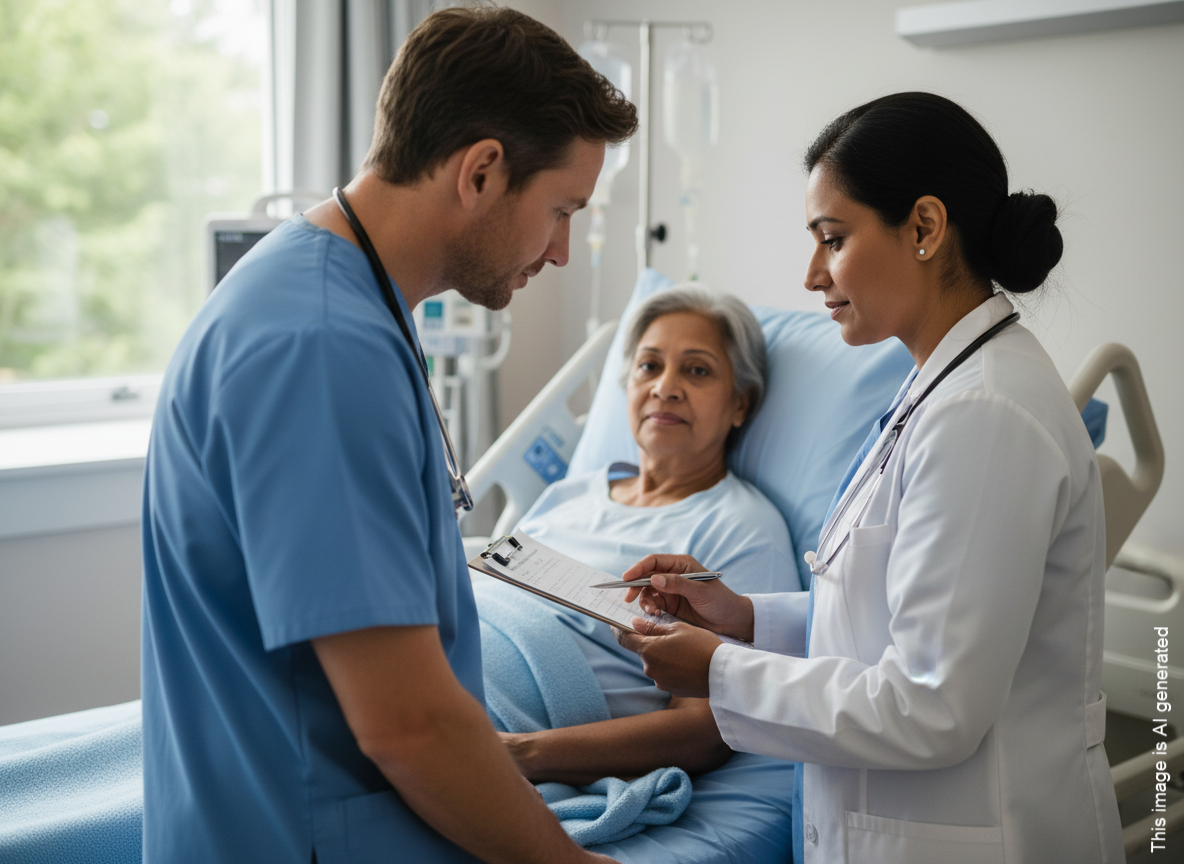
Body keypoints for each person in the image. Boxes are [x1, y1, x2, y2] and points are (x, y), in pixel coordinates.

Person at [140, 8, 636, 864]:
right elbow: (408, 727)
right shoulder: (323, 346)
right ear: (481, 171)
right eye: (561, 209)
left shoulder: (331, 298)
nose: (561, 252)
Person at [616, 92, 1124, 863]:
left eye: (833, 238)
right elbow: (890, 612)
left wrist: (720, 670)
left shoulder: (986, 415)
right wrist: (746, 618)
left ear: (923, 227)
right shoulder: (940, 388)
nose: (813, 273)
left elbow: (932, 706)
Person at [488, 286, 799, 786]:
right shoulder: (568, 494)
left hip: (509, 709)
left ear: (741, 403)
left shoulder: (741, 528)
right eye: (649, 366)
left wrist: (521, 754)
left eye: (696, 370)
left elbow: (704, 728)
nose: (665, 387)